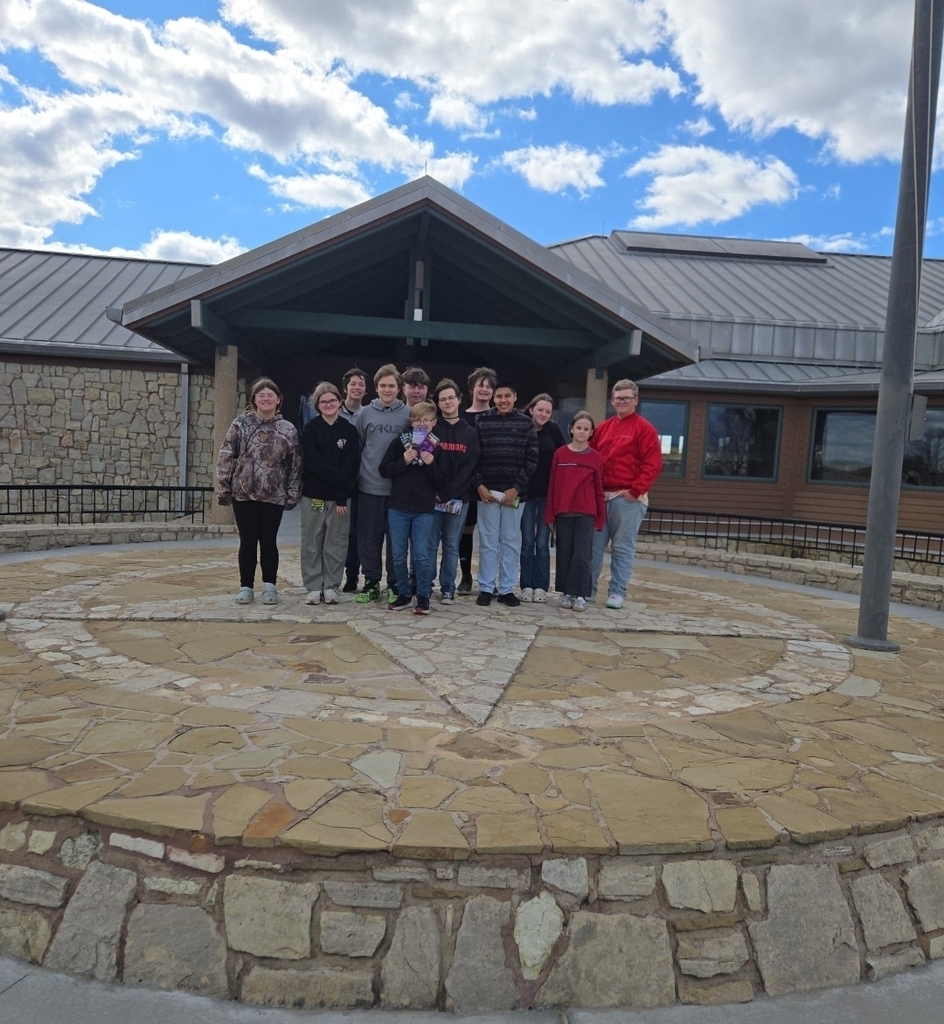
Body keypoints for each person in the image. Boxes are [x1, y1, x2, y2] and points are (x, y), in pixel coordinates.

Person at [216, 377, 301, 606]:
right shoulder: (240, 424)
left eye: (270, 395)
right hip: (244, 493)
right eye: (261, 395)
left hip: (273, 494)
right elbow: (226, 453)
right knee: (248, 540)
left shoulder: (288, 429)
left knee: (269, 540)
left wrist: (293, 491)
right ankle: (246, 586)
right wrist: (223, 485)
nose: (266, 398)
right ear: (254, 399)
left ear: (278, 400)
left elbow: (294, 463)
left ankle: (269, 585)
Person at [590, 378, 663, 609]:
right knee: (593, 546)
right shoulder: (602, 428)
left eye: (626, 398)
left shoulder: (645, 429)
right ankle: (588, 589)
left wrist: (635, 491)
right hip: (602, 497)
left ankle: (617, 592)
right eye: (618, 398)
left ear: (635, 400)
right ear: (612, 400)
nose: (622, 401)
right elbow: (591, 458)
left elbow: (653, 464)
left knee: (622, 547)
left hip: (628, 498)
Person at [473, 381, 538, 608]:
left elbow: (532, 460)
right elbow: (473, 457)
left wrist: (516, 488)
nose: (503, 400)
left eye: (507, 396)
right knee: (488, 542)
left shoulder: (526, 424)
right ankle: (486, 587)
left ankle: (506, 589)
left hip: (515, 495)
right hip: (487, 493)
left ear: (515, 397)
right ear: (493, 398)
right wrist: (479, 485)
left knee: (510, 541)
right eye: (499, 396)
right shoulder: (482, 422)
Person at [299, 382, 360, 606]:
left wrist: (342, 495)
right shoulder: (311, 429)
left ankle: (332, 584)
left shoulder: (349, 431)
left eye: (332, 400)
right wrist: (337, 478)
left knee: (336, 541)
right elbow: (313, 463)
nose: (328, 404)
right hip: (314, 494)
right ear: (317, 405)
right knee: (312, 540)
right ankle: (314, 585)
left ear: (340, 402)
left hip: (341, 498)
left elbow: (351, 465)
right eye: (323, 401)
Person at [354, 364, 409, 603]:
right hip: (370, 488)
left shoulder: (407, 414)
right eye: (383, 385)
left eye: (392, 386)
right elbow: (360, 445)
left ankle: (395, 584)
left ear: (399, 388)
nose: (387, 390)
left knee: (396, 540)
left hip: (399, 490)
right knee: (369, 538)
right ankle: (371, 582)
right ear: (376, 388)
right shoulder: (365, 413)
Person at [379, 401, 439, 615]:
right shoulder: (400, 443)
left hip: (423, 509)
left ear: (433, 422)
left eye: (426, 420)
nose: (421, 424)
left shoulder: (436, 446)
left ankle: (423, 596)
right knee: (397, 555)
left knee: (422, 555)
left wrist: (431, 465)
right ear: (411, 422)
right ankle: (404, 593)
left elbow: (442, 483)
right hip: (398, 507)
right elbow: (384, 470)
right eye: (417, 420)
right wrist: (402, 462)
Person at [546, 411, 605, 612]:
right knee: (565, 553)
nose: (582, 431)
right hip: (563, 512)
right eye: (578, 427)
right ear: (571, 429)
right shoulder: (560, 454)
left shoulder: (596, 457)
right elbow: (553, 485)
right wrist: (550, 513)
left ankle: (580, 594)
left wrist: (600, 516)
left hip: (585, 512)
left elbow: (598, 489)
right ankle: (566, 592)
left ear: (591, 433)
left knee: (582, 555)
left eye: (586, 429)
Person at [428, 378, 480, 604]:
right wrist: (440, 490)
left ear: (459, 399)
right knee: (430, 544)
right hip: (432, 497)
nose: (447, 402)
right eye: (442, 399)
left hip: (459, 499)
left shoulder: (470, 432)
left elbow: (470, 465)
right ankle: (426, 584)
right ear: (437, 403)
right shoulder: (432, 429)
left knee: (451, 544)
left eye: (451, 397)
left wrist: (450, 492)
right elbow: (427, 461)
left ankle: (448, 587)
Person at [518, 392, 566, 603]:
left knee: (542, 542)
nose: (544, 414)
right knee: (527, 541)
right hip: (525, 494)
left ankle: (541, 586)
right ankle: (526, 584)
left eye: (548, 411)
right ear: (531, 410)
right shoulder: (522, 428)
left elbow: (563, 458)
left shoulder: (554, 431)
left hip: (547, 494)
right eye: (540, 410)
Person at [457, 366, 496, 594]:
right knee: (466, 531)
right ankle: (465, 577)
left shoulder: (497, 416)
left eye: (489, 386)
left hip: (494, 484)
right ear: (472, 387)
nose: (484, 389)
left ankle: (490, 580)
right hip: (468, 485)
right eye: (481, 384)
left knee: (494, 537)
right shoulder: (462, 418)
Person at [338, 367, 367, 593]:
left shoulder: (368, 414)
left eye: (361, 384)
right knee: (336, 530)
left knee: (356, 530)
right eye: (353, 383)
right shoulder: (334, 411)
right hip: (337, 480)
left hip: (361, 480)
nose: (357, 387)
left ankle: (353, 575)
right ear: (345, 387)